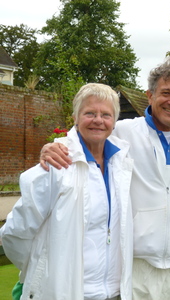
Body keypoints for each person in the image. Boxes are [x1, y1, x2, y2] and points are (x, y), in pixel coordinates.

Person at [39, 57, 170, 300]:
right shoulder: (122, 131)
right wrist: (53, 146)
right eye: (166, 93)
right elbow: (85, 135)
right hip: (135, 265)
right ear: (149, 95)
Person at [0, 83, 134, 300]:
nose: (98, 120)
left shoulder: (122, 164)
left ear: (114, 121)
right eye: (90, 113)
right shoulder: (55, 166)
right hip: (66, 293)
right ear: (75, 117)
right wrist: (40, 272)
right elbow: (15, 233)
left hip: (114, 293)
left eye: (106, 115)